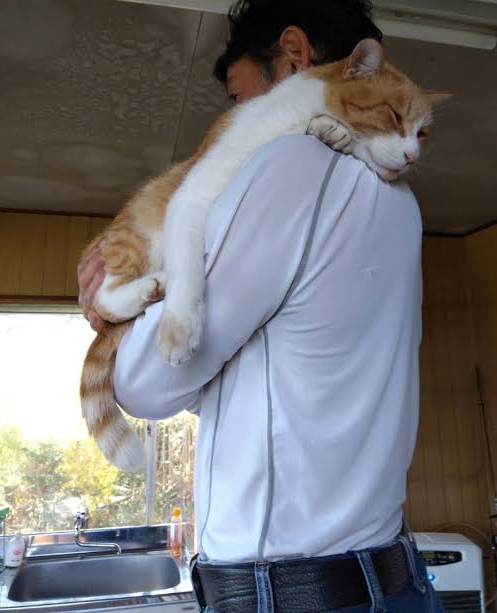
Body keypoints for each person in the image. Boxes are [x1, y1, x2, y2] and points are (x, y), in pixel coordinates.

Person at [78, 1, 445, 612]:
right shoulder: (403, 207)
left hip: (297, 591)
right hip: (390, 577)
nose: (236, 114)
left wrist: (113, 312)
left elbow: (146, 385)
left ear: (294, 55)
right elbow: (283, 374)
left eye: (238, 94)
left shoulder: (291, 165)